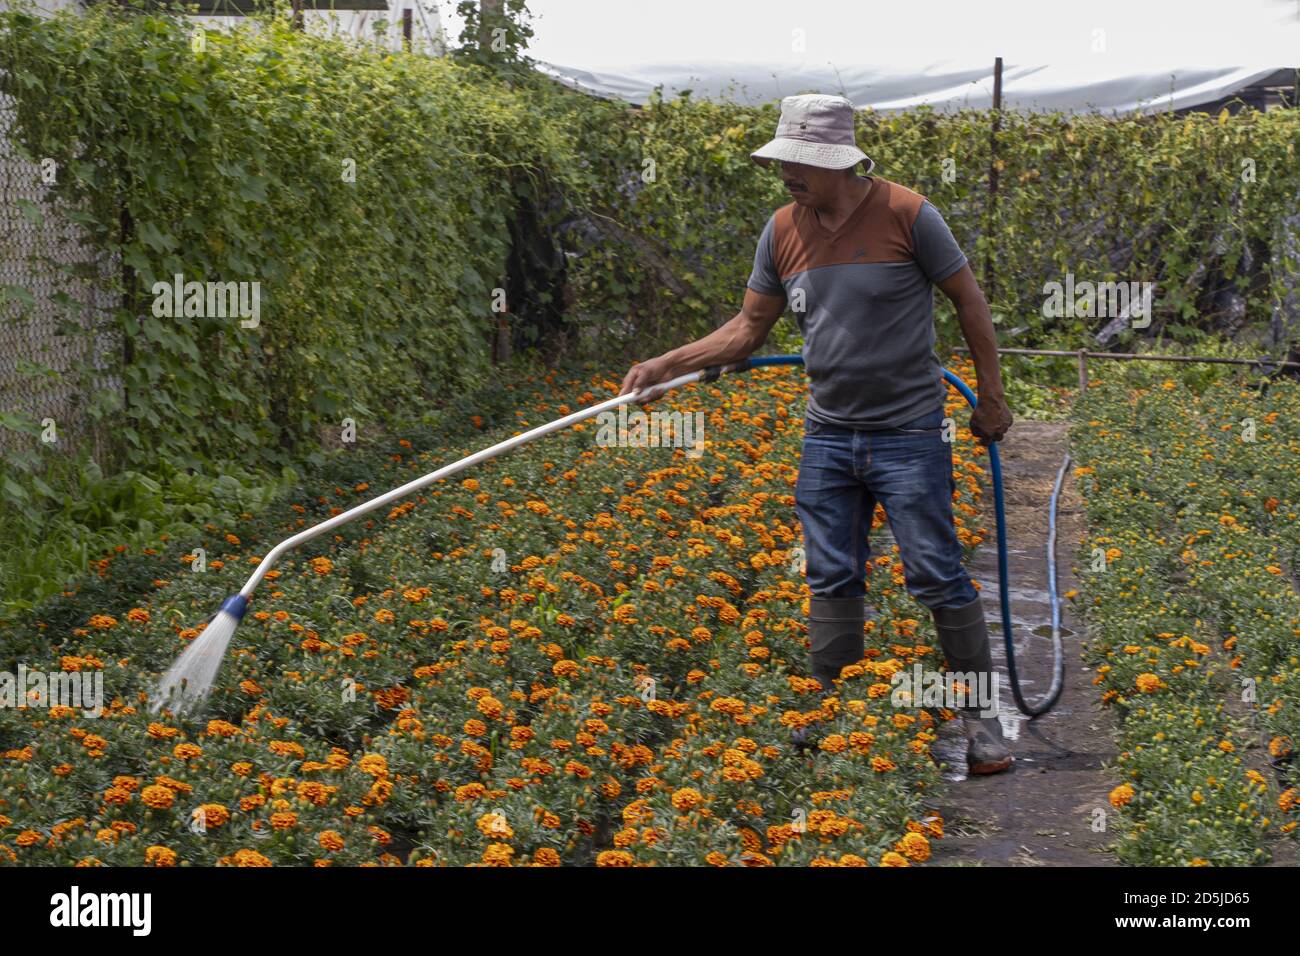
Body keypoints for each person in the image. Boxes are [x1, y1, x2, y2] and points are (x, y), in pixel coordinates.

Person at [620, 93, 1014, 775]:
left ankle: (982, 722)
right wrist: (667, 363)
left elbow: (968, 301)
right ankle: (826, 712)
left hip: (910, 431)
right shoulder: (782, 230)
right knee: (831, 573)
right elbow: (748, 329)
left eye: (801, 162)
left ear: (839, 162)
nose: (788, 174)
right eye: (784, 162)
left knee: (935, 572)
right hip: (828, 435)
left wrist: (992, 396)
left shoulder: (909, 215)